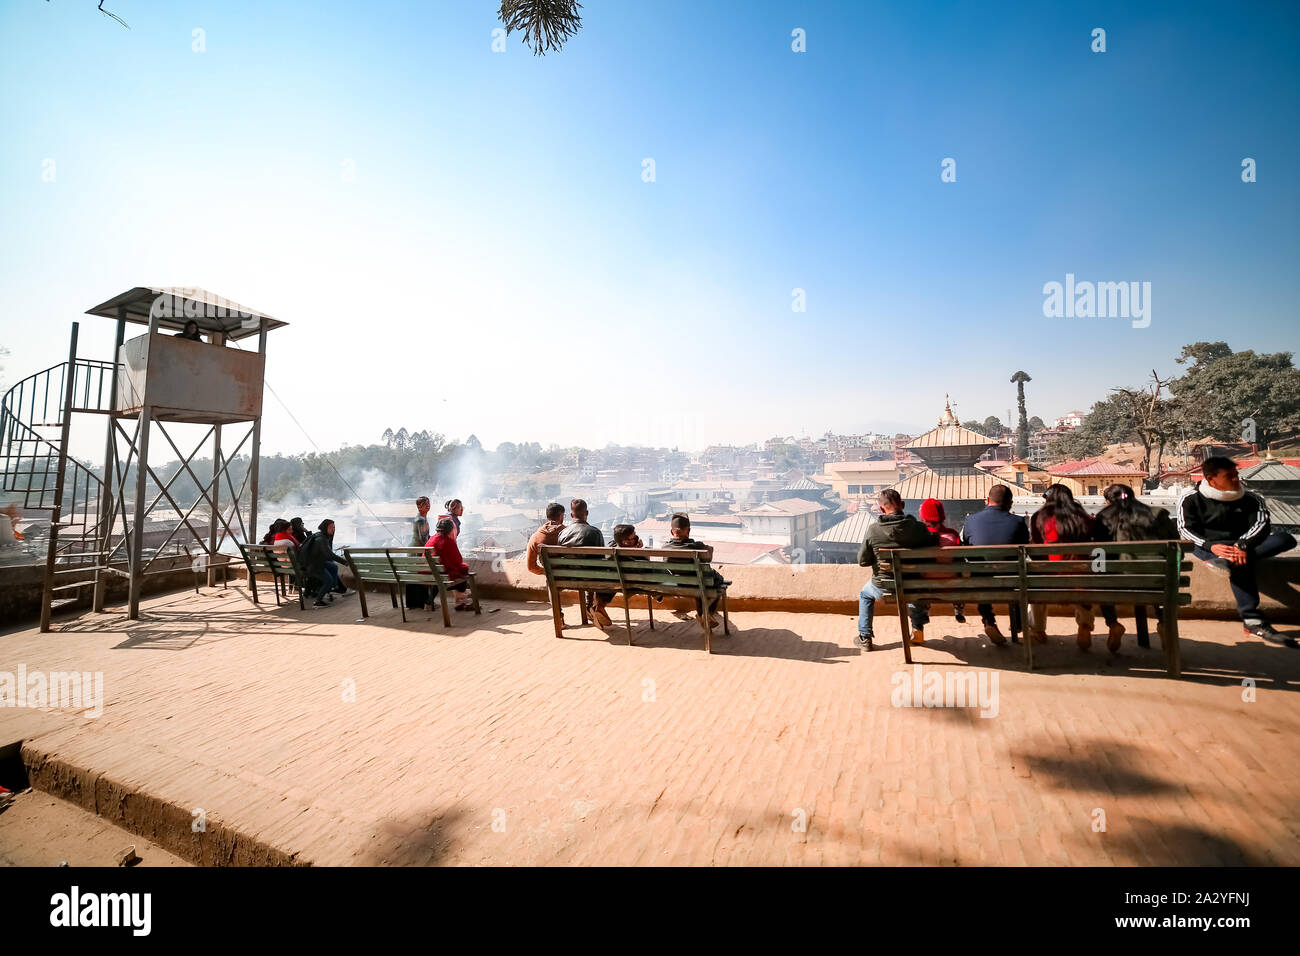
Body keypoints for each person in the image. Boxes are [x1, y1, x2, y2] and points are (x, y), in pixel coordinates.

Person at [1177, 456, 1297, 645]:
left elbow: (1262, 524)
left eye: (1236, 475)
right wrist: (1211, 546)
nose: (1236, 480)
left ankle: (1228, 560)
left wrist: (1243, 545)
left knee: (1285, 539)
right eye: (1229, 476)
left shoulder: (1251, 498)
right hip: (1210, 547)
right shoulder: (1191, 498)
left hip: (1245, 544)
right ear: (1211, 479)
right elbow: (1185, 529)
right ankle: (1252, 620)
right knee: (1239, 562)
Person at [1027, 484, 1122, 650]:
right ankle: (1084, 625)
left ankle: (1038, 629)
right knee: (1084, 576)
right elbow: (1097, 545)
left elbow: (1035, 552)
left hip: (1051, 581)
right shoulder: (1084, 517)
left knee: (1036, 581)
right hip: (1082, 580)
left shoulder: (1038, 518)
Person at [1093, 483, 1179, 651]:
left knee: (1101, 580)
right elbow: (1176, 545)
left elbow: (1098, 552)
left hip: (1118, 582)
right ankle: (1163, 624)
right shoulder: (1157, 514)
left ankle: (1113, 624)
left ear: (1108, 501)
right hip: (1156, 580)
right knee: (1158, 581)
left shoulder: (1103, 518)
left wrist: (1099, 573)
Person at [857, 489, 939, 648]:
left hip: (884, 585)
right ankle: (917, 627)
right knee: (914, 589)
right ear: (902, 504)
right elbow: (932, 553)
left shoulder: (873, 530)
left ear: (882, 509)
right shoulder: (919, 528)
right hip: (914, 585)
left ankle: (865, 636)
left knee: (865, 594)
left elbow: (862, 561)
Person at [960, 484, 1029, 645]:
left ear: (987, 500)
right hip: (1011, 580)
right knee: (1020, 574)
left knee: (980, 572)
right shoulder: (1018, 522)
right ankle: (1017, 622)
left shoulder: (970, 520)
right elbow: (1025, 549)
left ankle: (988, 620)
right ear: (1010, 504)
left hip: (981, 581)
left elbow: (966, 546)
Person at [661, 514, 725, 631]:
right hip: (698, 583)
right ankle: (706, 612)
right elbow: (708, 557)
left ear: (671, 532)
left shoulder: (665, 547)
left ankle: (703, 614)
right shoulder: (697, 546)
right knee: (718, 582)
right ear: (688, 530)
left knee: (702, 583)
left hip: (678, 583)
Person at [558, 499, 610, 627]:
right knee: (600, 571)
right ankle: (592, 606)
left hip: (568, 577)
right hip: (591, 578)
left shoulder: (562, 533)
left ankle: (589, 608)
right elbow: (601, 560)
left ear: (571, 515)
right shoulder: (595, 532)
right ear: (587, 512)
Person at [918, 497, 967, 625]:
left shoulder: (918, 537)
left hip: (925, 586)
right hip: (951, 585)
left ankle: (924, 610)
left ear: (923, 517)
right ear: (942, 516)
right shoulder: (953, 535)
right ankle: (958, 608)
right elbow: (961, 561)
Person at [299, 519, 355, 608]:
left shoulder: (319, 535)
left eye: (334, 527)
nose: (333, 529)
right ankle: (318, 601)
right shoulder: (321, 539)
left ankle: (333, 588)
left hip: (314, 563)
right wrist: (345, 562)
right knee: (328, 580)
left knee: (333, 566)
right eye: (331, 527)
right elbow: (330, 555)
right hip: (313, 566)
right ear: (325, 528)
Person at [428, 517, 474, 611]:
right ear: (449, 530)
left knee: (452, 570)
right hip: (441, 575)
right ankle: (462, 598)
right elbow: (458, 561)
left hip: (428, 573)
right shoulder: (448, 542)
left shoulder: (431, 540)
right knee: (462, 570)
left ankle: (460, 600)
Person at [525, 502, 567, 576]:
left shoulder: (535, 537)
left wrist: (547, 572)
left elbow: (531, 567)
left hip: (551, 583)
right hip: (569, 577)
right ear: (561, 516)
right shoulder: (569, 534)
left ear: (547, 517)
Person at [407, 496, 433, 612]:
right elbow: (423, 539)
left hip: (414, 550)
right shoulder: (421, 520)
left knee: (416, 577)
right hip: (417, 551)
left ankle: (416, 603)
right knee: (421, 576)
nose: (428, 505)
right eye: (424, 504)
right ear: (419, 507)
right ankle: (424, 602)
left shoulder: (421, 518)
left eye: (428, 503)